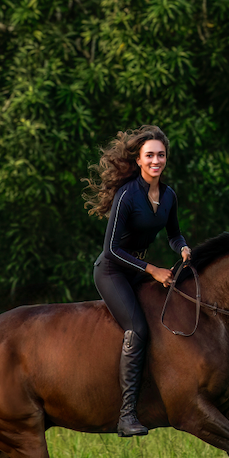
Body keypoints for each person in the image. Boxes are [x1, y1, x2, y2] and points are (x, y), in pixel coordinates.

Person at [85, 126, 192, 437]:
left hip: (138, 270)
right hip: (112, 271)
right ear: (139, 160)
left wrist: (183, 247)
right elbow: (112, 250)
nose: (156, 160)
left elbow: (174, 234)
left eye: (160, 155)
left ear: (166, 158)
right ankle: (127, 414)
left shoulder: (169, 195)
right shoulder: (127, 195)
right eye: (150, 155)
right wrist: (153, 270)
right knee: (139, 328)